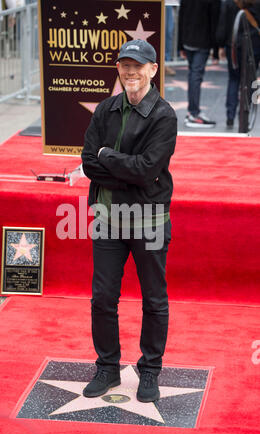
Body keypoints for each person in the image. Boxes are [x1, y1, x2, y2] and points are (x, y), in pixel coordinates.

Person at [81, 39, 177, 403]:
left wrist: (110, 158)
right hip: (107, 219)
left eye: (138, 65)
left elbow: (148, 169)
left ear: (153, 70)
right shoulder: (105, 109)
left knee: (154, 299)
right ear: (118, 69)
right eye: (124, 65)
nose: (130, 71)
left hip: (149, 220)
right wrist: (122, 168)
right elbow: (89, 162)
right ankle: (107, 367)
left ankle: (150, 370)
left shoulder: (164, 115)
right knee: (102, 297)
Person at [216, 0, 260, 128]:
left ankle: (230, 116)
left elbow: (223, 26)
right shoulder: (256, 3)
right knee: (250, 79)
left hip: (233, 45)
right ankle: (245, 112)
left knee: (233, 79)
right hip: (254, 45)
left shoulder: (229, 3)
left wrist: (220, 46)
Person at [178, 0, 221, 128]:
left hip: (188, 39)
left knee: (193, 75)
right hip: (203, 41)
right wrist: (216, 50)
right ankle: (193, 113)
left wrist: (180, 44)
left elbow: (182, 17)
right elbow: (215, 22)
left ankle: (193, 111)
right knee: (196, 76)